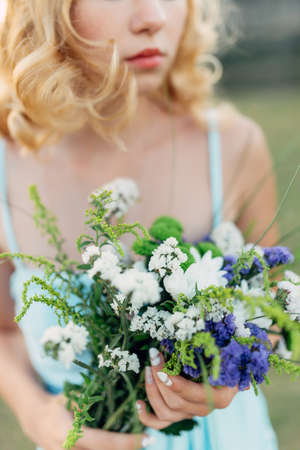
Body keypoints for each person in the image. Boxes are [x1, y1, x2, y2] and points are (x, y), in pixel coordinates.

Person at [0, 1, 279, 449]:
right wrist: (38, 417)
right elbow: (4, 330)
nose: (153, 17)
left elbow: (273, 309)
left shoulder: (233, 146)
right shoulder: (8, 162)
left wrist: (231, 372)